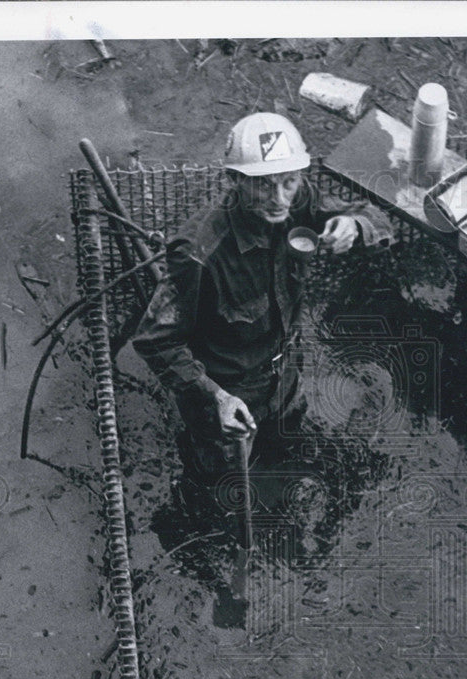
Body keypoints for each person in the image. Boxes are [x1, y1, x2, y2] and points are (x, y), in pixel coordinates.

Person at [133, 112, 392, 509]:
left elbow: (376, 215)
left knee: (284, 440)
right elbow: (155, 340)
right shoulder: (199, 253)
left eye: (288, 182)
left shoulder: (297, 196)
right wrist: (216, 397)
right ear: (235, 181)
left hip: (284, 370)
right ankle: (203, 506)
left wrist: (354, 224)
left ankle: (276, 476)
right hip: (228, 388)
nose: (279, 199)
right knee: (221, 481)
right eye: (264, 186)